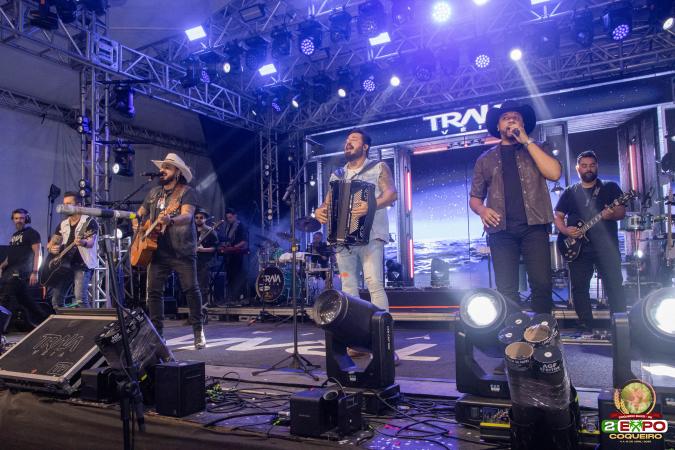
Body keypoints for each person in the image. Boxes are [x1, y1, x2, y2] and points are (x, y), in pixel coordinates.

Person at [469, 102, 562, 314]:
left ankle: (542, 328)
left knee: (542, 284)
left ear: (523, 124)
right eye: (505, 117)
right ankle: (513, 330)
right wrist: (482, 210)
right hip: (500, 230)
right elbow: (474, 199)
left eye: (516, 117)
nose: (511, 119)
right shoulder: (485, 159)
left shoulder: (538, 148)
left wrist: (527, 141)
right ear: (498, 126)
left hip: (535, 226)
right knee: (506, 289)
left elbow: (555, 173)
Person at [315, 129, 398, 361]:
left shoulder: (378, 167)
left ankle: (383, 344)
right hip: (343, 239)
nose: (348, 143)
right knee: (349, 290)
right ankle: (356, 341)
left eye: (353, 140)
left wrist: (370, 205)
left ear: (365, 146)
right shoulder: (337, 175)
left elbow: (391, 194)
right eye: (346, 141)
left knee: (374, 285)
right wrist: (320, 211)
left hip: (371, 235)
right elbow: (327, 203)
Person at [134, 153, 205, 349]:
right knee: (153, 292)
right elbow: (139, 214)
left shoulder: (187, 192)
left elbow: (187, 216)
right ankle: (157, 336)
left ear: (177, 172)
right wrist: (137, 225)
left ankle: (198, 331)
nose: (162, 170)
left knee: (191, 289)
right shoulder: (153, 193)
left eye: (167, 167)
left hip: (182, 250)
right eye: (162, 167)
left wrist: (170, 220)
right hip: (157, 251)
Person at [554, 151, 627, 330]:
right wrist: (566, 230)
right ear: (578, 168)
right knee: (579, 288)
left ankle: (620, 325)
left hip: (606, 247)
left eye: (592, 165)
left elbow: (621, 212)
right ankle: (586, 324)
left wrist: (610, 215)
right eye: (584, 166)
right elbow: (558, 216)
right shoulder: (570, 191)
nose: (588, 169)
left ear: (597, 167)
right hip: (578, 249)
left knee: (614, 286)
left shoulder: (610, 187)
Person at [47, 192, 98, 308]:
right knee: (56, 300)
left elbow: (90, 243)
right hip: (64, 265)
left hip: (82, 264)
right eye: (64, 204)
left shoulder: (89, 222)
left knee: (80, 299)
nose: (65, 207)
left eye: (69, 204)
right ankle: (64, 320)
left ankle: (88, 320)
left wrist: (83, 242)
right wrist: (52, 249)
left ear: (78, 205)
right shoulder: (63, 224)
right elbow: (50, 245)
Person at [0, 208, 48, 328]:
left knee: (5, 298)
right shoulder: (14, 236)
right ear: (13, 220)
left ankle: (1, 328)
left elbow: (38, 253)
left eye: (21, 218)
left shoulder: (32, 233)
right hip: (11, 271)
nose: (19, 220)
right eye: (16, 218)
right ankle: (46, 320)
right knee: (25, 300)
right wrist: (1, 266)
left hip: (21, 272)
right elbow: (10, 257)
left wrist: (35, 272)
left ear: (26, 219)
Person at [219, 208, 248, 304]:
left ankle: (240, 297)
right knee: (230, 276)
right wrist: (225, 246)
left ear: (235, 216)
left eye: (230, 217)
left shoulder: (241, 226)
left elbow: (244, 241)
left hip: (238, 255)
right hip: (230, 255)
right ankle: (231, 298)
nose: (229, 219)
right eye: (227, 218)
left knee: (237, 276)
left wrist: (233, 248)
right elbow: (228, 240)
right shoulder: (228, 226)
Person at [195, 208, 219, 307]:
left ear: (205, 219)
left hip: (206, 262)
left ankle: (203, 306)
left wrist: (202, 250)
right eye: (196, 217)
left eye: (201, 217)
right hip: (194, 261)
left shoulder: (210, 231)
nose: (198, 219)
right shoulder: (191, 231)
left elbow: (215, 248)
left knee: (203, 285)